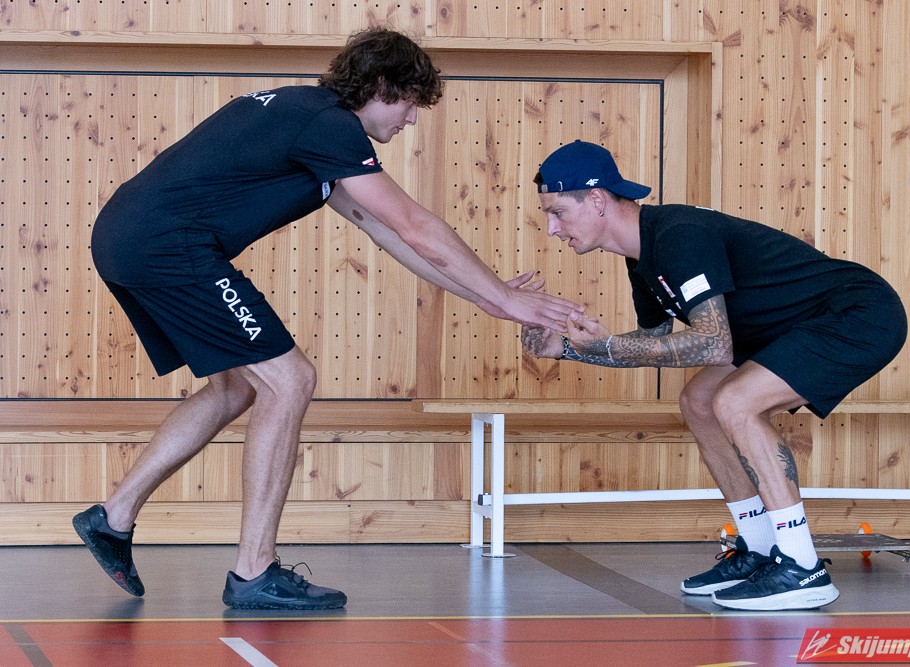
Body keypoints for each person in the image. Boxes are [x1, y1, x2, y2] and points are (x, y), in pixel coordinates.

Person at [74, 27, 578, 611]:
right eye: (410, 102)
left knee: (238, 387)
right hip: (167, 246)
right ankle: (253, 572)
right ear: (382, 85)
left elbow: (386, 231)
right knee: (291, 380)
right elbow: (415, 224)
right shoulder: (327, 124)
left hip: (132, 238)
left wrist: (487, 298)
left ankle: (113, 517)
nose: (411, 118)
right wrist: (506, 300)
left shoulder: (309, 121)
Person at [520, 140, 907, 611]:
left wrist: (607, 344)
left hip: (858, 314)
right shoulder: (641, 260)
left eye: (557, 212)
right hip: (785, 330)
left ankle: (801, 566)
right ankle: (760, 548)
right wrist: (564, 349)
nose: (551, 229)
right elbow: (650, 345)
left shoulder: (679, 236)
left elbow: (713, 343)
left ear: (597, 199)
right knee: (699, 401)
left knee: (734, 401)